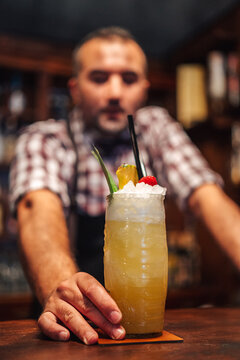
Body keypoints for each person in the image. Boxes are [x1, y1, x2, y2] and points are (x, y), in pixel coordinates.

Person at [10, 27, 240, 345]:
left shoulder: (154, 128)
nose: (115, 92)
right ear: (75, 89)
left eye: (128, 79)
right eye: (99, 77)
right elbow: (37, 213)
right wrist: (62, 288)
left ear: (144, 87)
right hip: (71, 331)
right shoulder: (46, 138)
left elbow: (207, 196)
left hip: (143, 323)